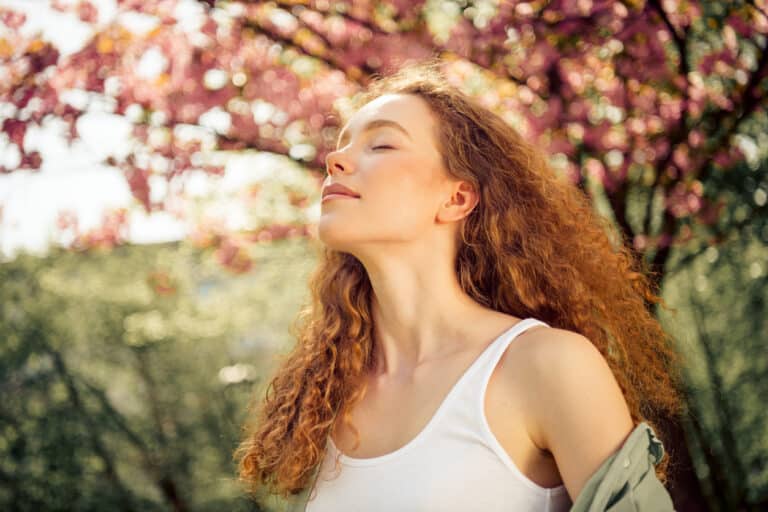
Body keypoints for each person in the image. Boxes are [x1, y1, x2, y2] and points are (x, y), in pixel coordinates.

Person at [234, 58, 684, 511]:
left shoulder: (547, 365)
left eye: (382, 145)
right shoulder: (331, 400)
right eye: (342, 145)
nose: (335, 159)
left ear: (456, 198)